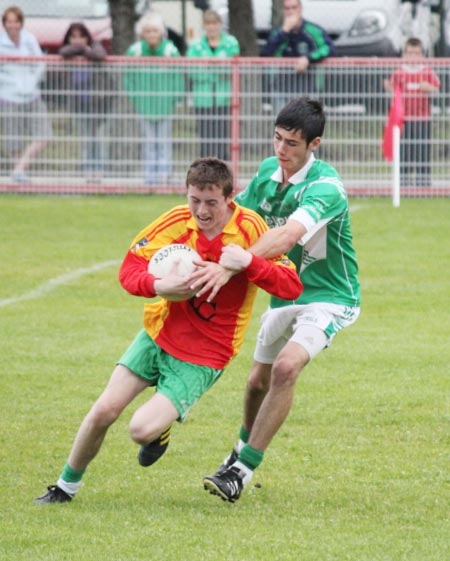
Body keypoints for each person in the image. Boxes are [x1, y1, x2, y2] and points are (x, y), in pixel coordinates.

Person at [34, 157, 302, 504]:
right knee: (103, 410)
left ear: (230, 198)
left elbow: (291, 285)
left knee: (139, 429)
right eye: (194, 200)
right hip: (157, 334)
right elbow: (129, 269)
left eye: (211, 203)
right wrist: (160, 285)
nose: (201, 211)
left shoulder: (251, 229)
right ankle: (63, 488)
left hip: (205, 355)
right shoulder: (176, 221)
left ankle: (158, 432)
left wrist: (249, 263)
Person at [189, 98, 360, 503]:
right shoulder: (269, 171)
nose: (281, 150)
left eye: (292, 144)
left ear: (314, 144)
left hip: (330, 296)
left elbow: (285, 237)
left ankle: (242, 470)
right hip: (286, 291)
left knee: (286, 368)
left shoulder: (326, 188)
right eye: (277, 139)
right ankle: (238, 452)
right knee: (255, 383)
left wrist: (234, 264)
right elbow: (238, 219)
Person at [123, 12, 183, 187]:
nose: (151, 35)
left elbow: (178, 78)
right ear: (143, 33)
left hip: (165, 105)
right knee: (149, 142)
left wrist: (174, 99)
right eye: (148, 31)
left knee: (164, 141)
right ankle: (150, 178)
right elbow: (128, 78)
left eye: (155, 31)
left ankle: (164, 177)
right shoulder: (135, 51)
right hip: (144, 105)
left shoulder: (170, 51)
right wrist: (135, 99)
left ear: (161, 32)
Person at [0, 5, 52, 184]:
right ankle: (19, 175)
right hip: (9, 95)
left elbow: (39, 62)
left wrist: (32, 82)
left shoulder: (29, 39)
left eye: (16, 21)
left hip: (31, 94)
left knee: (44, 135)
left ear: (21, 23)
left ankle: (19, 169)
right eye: (9, 22)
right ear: (4, 24)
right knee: (13, 140)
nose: (12, 25)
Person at [383, 37, 440, 187]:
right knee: (404, 150)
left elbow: (437, 88)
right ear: (404, 54)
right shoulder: (399, 73)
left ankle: (423, 181)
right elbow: (392, 92)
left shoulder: (427, 72)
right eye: (410, 53)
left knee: (422, 149)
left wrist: (429, 88)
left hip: (423, 118)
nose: (413, 57)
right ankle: (403, 181)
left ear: (422, 55)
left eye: (416, 53)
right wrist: (388, 88)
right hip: (403, 119)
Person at [59, 22, 111, 184]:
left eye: (81, 36)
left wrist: (85, 50)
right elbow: (63, 50)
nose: (77, 40)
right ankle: (88, 171)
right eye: (73, 37)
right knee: (86, 138)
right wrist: (81, 50)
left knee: (98, 138)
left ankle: (99, 171)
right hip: (79, 104)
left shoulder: (95, 46)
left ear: (87, 37)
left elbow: (99, 54)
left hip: (98, 104)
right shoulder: (69, 51)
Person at [262, 0, 335, 114]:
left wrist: (308, 58)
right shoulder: (278, 32)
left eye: (294, 7)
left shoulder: (312, 30)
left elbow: (329, 48)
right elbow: (268, 52)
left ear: (300, 9)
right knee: (283, 127)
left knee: (308, 126)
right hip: (282, 89)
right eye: (287, 8)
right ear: (283, 11)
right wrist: (285, 31)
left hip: (307, 88)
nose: (291, 11)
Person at [187, 9, 240, 161]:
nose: (211, 27)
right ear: (204, 26)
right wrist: (217, 67)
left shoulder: (231, 43)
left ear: (220, 24)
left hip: (224, 99)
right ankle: (205, 175)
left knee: (223, 139)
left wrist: (208, 66)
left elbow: (231, 69)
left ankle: (223, 174)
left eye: (214, 23)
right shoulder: (195, 46)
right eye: (208, 24)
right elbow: (193, 72)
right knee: (206, 139)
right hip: (203, 100)